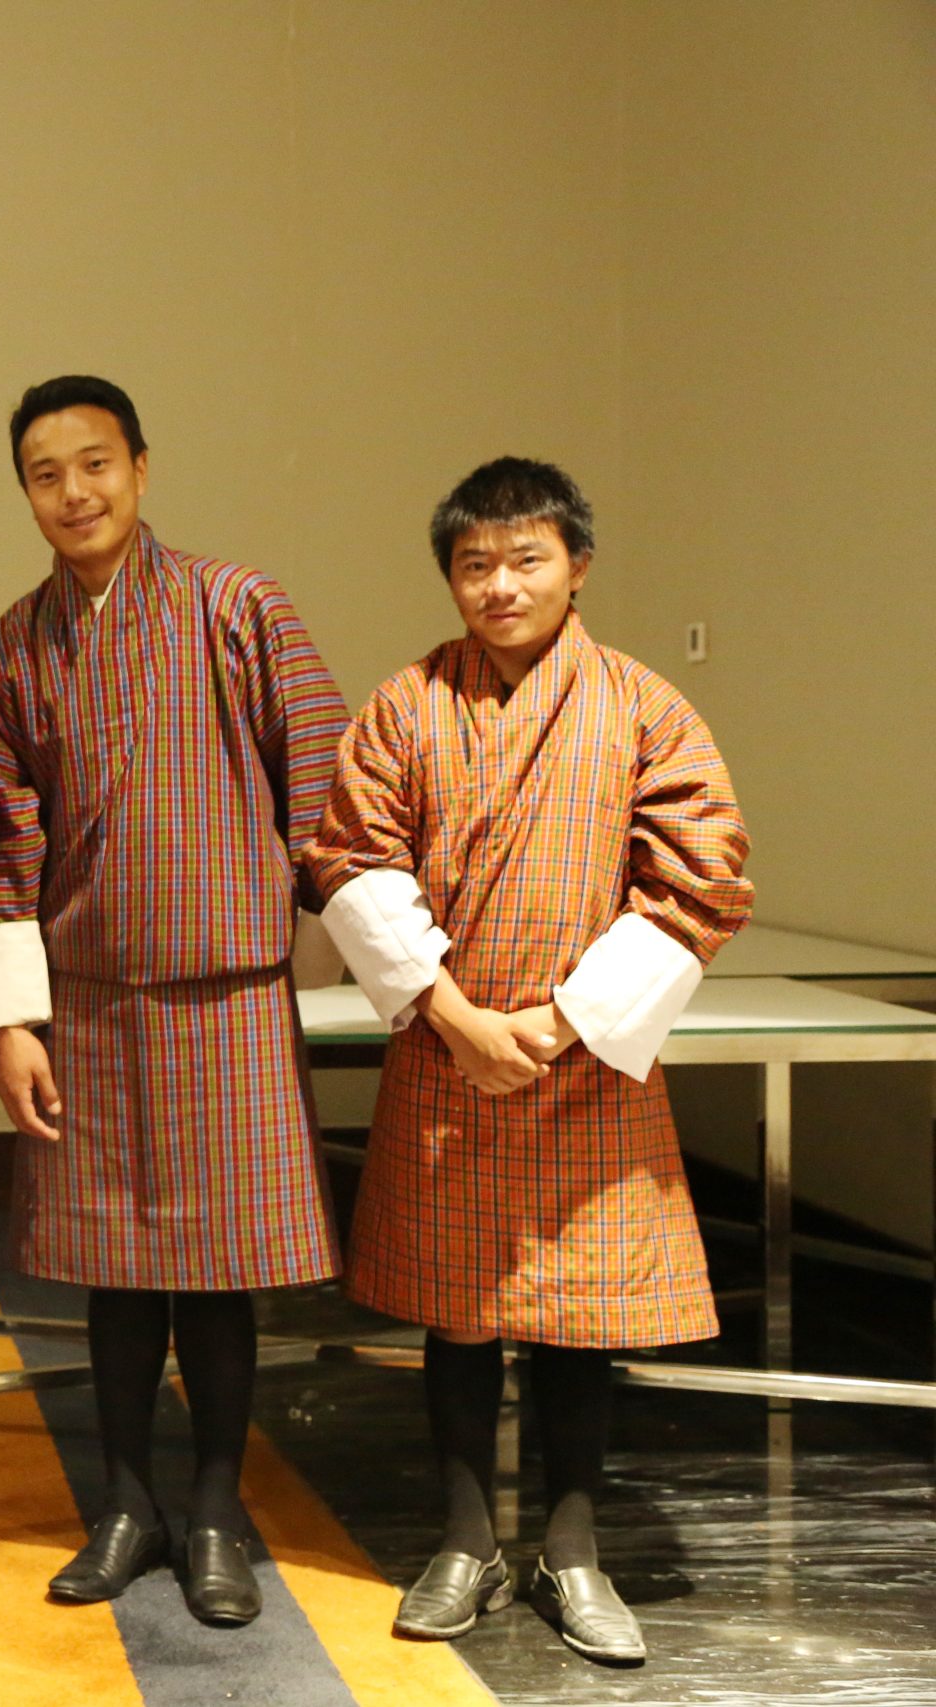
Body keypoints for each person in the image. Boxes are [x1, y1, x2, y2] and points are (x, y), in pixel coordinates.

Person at [305, 457, 751, 1665]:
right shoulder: (406, 705)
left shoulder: (644, 706)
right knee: (455, 1317)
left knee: (575, 1319)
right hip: (447, 1051)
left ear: (576, 565)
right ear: (449, 576)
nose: (498, 585)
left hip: (584, 1060)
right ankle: (464, 1543)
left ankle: (572, 1549)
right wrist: (454, 1016)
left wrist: (560, 1023)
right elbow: (348, 860)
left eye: (524, 559)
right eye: (474, 564)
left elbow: (700, 874)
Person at [0, 375, 348, 1626]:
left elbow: (322, 789)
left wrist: (352, 958)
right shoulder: (10, 648)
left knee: (221, 1273)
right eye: (45, 474)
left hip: (228, 994)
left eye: (94, 464)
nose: (73, 492)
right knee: (112, 1274)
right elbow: (3, 849)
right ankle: (126, 1505)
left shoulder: (239, 605)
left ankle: (218, 1509)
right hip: (85, 1001)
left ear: (139, 466)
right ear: (25, 493)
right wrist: (12, 1022)